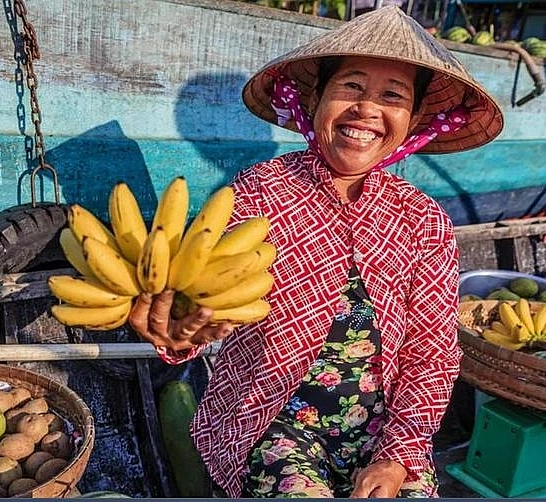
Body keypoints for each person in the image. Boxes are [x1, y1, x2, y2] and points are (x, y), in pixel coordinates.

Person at [128, 5, 503, 498]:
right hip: (268, 422)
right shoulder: (260, 192)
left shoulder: (423, 218)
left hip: (384, 429)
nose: (367, 109)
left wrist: (398, 455)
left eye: (392, 96)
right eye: (350, 86)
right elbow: (209, 300)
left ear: (410, 122)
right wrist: (180, 333)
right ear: (316, 100)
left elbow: (430, 352)